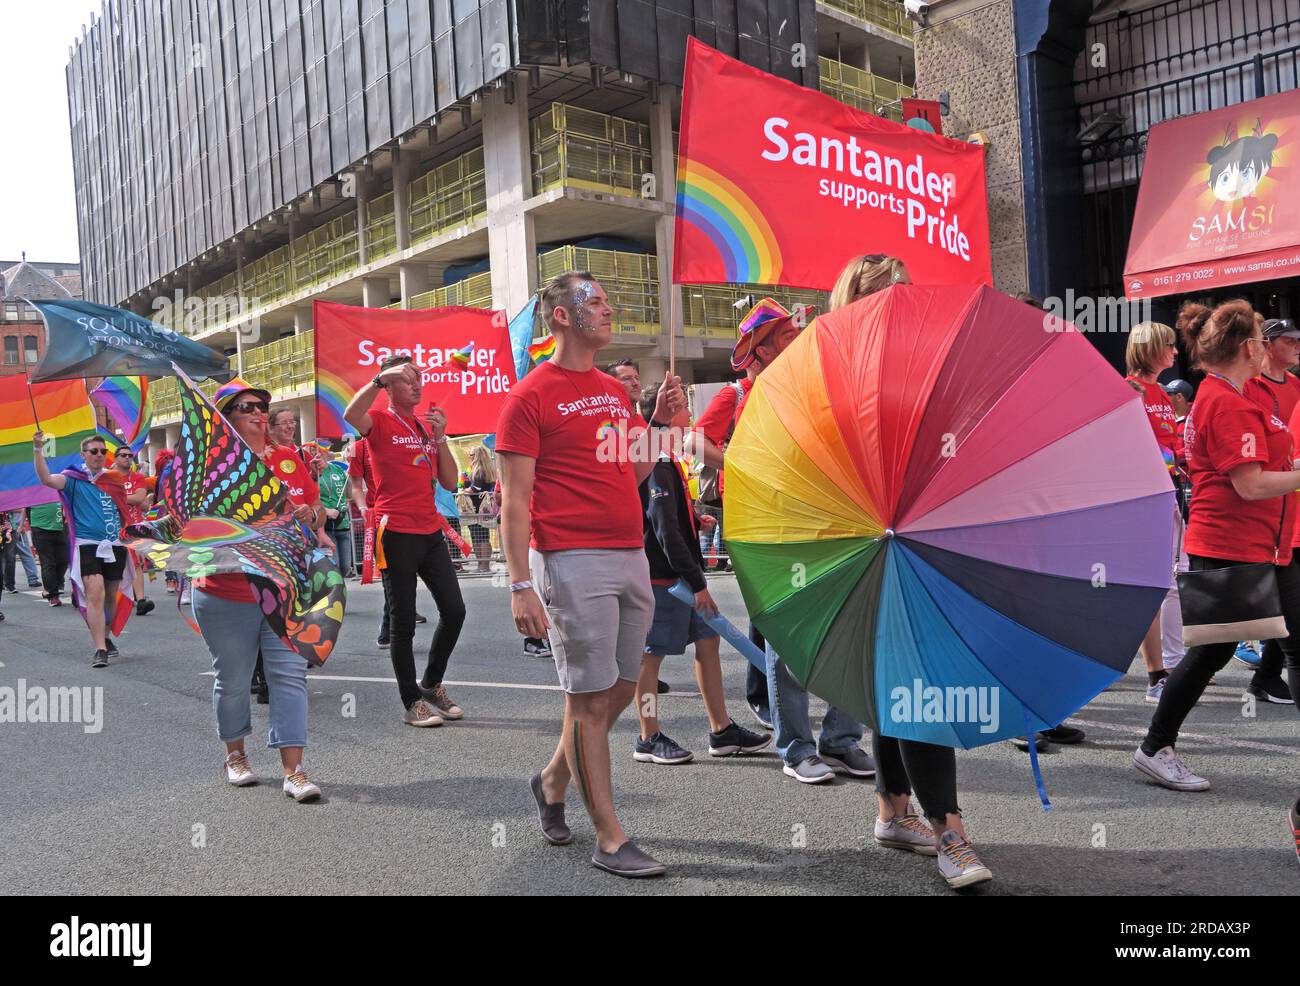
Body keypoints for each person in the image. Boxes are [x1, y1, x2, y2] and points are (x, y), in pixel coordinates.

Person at [498, 270, 684, 878]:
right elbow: (515, 500)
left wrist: (664, 427)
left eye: (606, 301)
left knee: (618, 689)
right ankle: (609, 836)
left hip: (631, 553)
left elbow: (630, 472)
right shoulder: (529, 396)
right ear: (559, 315)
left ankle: (552, 780)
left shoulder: (611, 389)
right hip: (570, 562)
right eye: (595, 302)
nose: (608, 310)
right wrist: (521, 583)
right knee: (587, 702)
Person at [828, 253, 991, 889]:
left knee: (900, 676)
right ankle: (949, 830)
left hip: (920, 530)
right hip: (861, 538)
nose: (904, 302)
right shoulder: (834, 368)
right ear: (860, 301)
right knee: (918, 676)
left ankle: (894, 811)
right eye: (890, 293)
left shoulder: (919, 362)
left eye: (908, 291)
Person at [1136, 300, 1300, 802]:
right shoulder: (1224, 399)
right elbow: (1249, 485)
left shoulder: (1236, 389)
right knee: (1212, 651)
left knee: (1283, 644)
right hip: (1232, 544)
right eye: (1260, 337)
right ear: (1248, 347)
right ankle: (1155, 746)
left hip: (1264, 546)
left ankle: (1155, 745)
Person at [190, 378, 328, 800]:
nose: (258, 413)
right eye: (247, 407)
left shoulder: (288, 459)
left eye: (262, 405)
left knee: (289, 677)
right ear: (226, 418)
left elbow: (320, 513)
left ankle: (295, 771)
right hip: (224, 590)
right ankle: (236, 755)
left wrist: (311, 513)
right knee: (231, 681)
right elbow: (191, 527)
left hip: (284, 587)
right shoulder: (207, 466)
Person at [632, 382, 771, 765]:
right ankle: (647, 736)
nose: (691, 416)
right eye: (684, 409)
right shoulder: (657, 460)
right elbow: (663, 530)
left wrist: (693, 516)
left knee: (708, 645)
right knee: (651, 658)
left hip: (682, 577)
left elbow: (667, 516)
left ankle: (722, 730)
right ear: (665, 414)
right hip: (666, 581)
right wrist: (696, 583)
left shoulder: (666, 458)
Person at [344, 355, 466, 726]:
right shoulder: (378, 421)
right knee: (403, 622)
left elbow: (449, 482)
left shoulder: (424, 427)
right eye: (408, 378)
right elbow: (351, 415)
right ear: (391, 386)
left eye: (419, 379)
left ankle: (431, 683)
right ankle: (412, 702)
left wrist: (441, 438)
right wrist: (380, 378)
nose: (417, 385)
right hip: (395, 532)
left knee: (455, 611)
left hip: (430, 529)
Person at [33, 433, 146, 667]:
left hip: (115, 544)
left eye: (103, 452)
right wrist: (37, 450)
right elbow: (46, 479)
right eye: (93, 451)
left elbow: (125, 509)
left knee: (111, 595)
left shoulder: (113, 479)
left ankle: (105, 636)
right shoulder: (73, 478)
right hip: (87, 544)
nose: (99, 455)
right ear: (83, 454)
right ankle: (100, 648)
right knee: (95, 593)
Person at [1239, 317, 1300, 704]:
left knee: (1291, 602)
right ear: (1269, 344)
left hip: (1291, 496)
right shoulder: (1248, 388)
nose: (1298, 344)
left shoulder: (1296, 386)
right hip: (1269, 505)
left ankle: (1264, 676)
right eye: (1291, 339)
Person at [1125, 321, 1187, 698]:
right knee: (1153, 583)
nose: (1175, 352)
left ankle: (1175, 663)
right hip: (1144, 496)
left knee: (1176, 580)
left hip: (1168, 492)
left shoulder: (1161, 393)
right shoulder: (1130, 389)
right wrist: (1173, 458)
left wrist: (1178, 460)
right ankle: (1155, 675)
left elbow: (1165, 445)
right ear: (1149, 348)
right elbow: (1134, 444)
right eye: (1169, 345)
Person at [110, 447, 157, 616]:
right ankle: (119, 597)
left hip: (133, 527)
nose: (128, 458)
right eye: (123, 455)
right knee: (115, 564)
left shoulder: (137, 477)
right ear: (115, 458)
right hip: (111, 526)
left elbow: (139, 499)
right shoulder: (107, 478)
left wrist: (115, 497)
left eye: (130, 456)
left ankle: (141, 600)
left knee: (136, 562)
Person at [316, 443, 355, 578]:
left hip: (343, 524)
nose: (319, 458)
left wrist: (350, 484)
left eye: (321, 454)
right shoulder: (314, 474)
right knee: (334, 567)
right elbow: (310, 500)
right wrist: (326, 510)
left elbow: (349, 495)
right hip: (327, 527)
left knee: (345, 568)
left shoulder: (338, 470)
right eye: (316, 455)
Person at [464, 445, 497, 573]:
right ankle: (484, 565)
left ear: (477, 456)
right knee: (483, 536)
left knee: (478, 537)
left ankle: (483, 566)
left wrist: (463, 491)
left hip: (476, 508)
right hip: (483, 508)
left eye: (471, 454)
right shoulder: (486, 469)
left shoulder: (478, 470)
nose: (469, 456)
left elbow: (475, 489)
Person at [28, 499, 68, 606]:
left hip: (60, 527)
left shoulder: (58, 483)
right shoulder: (35, 485)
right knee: (48, 563)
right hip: (40, 528)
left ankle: (54, 586)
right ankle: (53, 595)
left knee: (63, 561)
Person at [3, 509, 41, 590]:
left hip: (14, 526)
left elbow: (23, 508)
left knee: (12, 557)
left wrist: (21, 525)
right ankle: (32, 579)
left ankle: (32, 579)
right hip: (11, 526)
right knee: (11, 557)